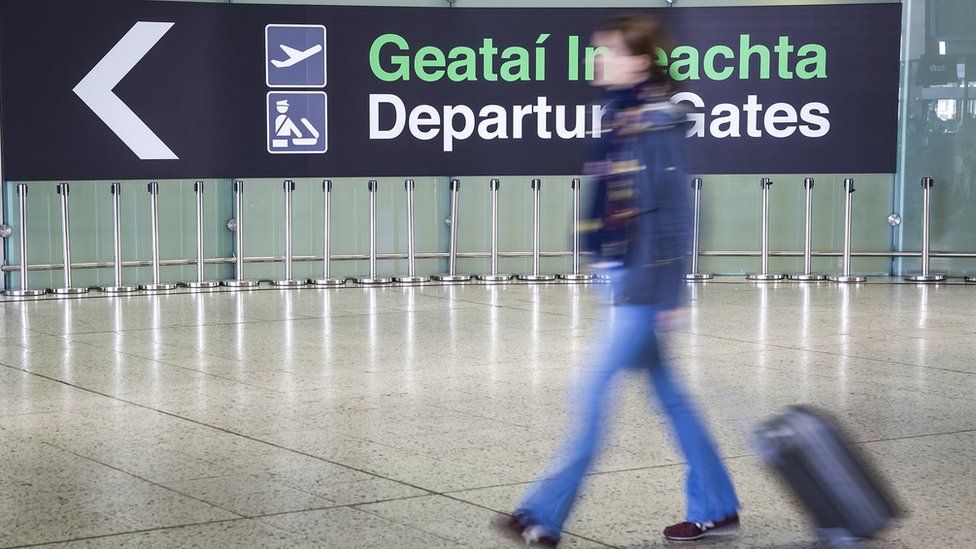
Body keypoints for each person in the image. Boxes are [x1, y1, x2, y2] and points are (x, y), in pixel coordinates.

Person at [499, 14, 740, 546]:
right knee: (671, 398)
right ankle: (718, 505)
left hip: (643, 282)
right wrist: (595, 255)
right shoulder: (618, 116)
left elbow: (678, 215)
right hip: (620, 273)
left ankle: (541, 512)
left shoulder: (656, 123)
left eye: (606, 50)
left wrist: (671, 295)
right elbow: (607, 197)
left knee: (590, 394)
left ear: (638, 60)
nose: (596, 59)